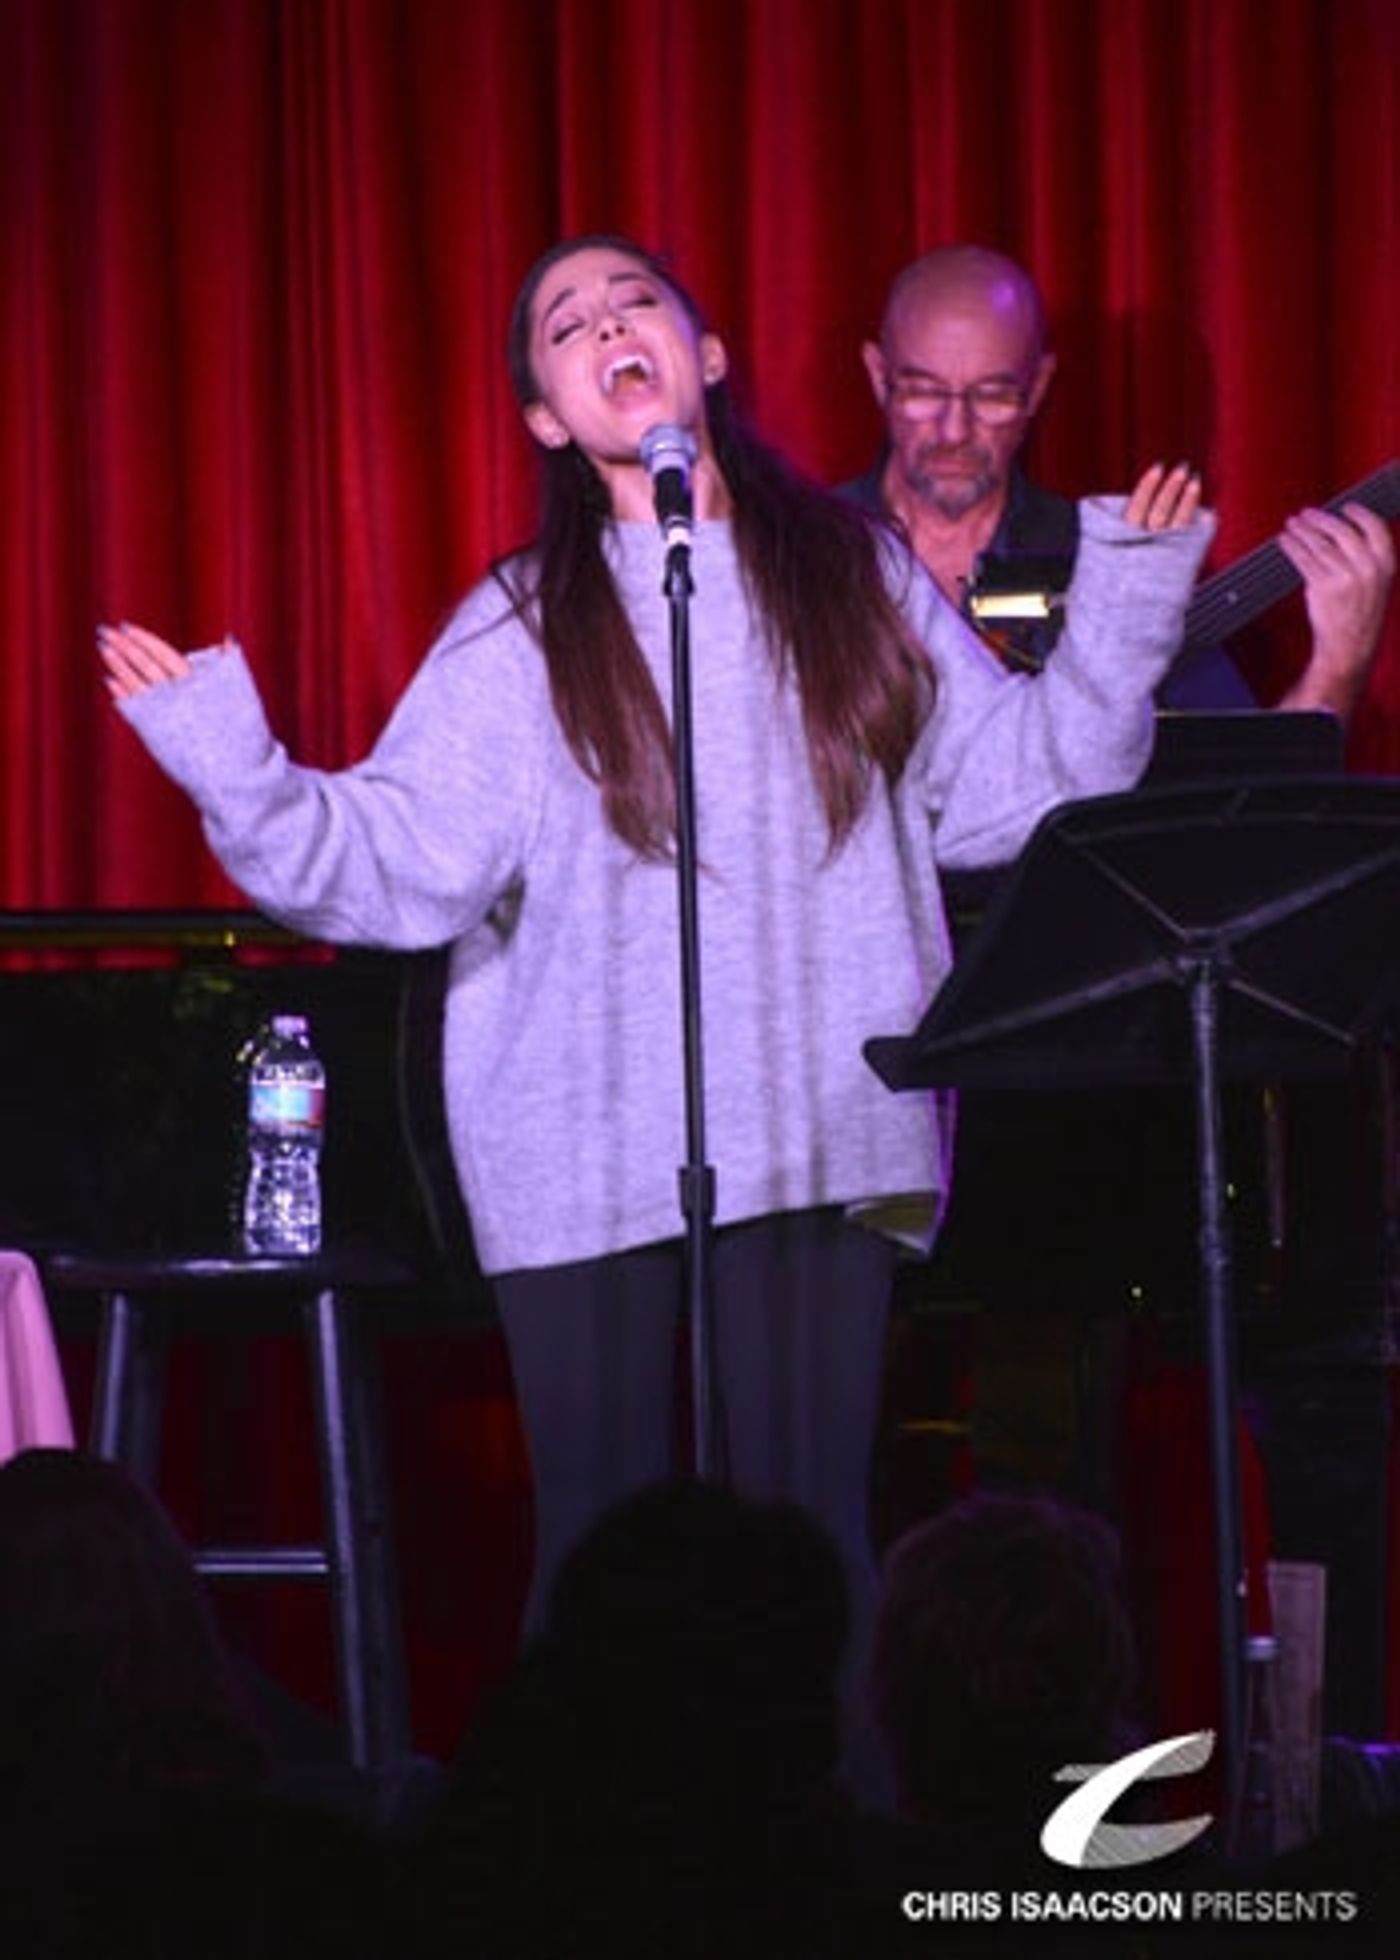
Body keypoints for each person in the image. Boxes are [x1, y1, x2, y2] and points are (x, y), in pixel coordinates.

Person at [97, 233, 1212, 1642]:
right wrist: (235, 767)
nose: (610, 324)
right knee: (599, 1560)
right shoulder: (520, 629)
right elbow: (392, 872)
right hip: (578, 1159)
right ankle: (593, 1856)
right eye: (569, 324)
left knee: (813, 1553)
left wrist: (1124, 607)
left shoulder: (850, 576)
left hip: (816, 1134)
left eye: (639, 301)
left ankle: (825, 1852)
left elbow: (1018, 792)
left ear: (710, 355)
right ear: (548, 417)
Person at [846, 244, 1395, 715]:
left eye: (992, 396)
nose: (955, 429)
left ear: (1037, 389)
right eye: (924, 391)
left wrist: (1338, 665)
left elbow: (1250, 802)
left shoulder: (1112, 565)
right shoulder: (805, 555)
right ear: (877, 376)